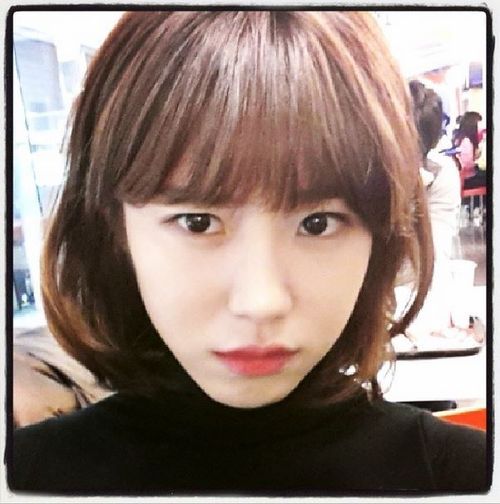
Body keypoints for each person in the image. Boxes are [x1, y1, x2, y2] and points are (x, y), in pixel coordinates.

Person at [9, 11, 487, 495]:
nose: (261, 301)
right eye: (198, 221)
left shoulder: (465, 478)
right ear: (115, 230)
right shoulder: (27, 477)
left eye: (318, 223)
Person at [403, 81, 461, 340]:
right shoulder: (354, 174)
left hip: (412, 291)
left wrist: (411, 195)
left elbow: (434, 254)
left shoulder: (440, 174)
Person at [453, 111, 486, 189]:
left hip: (465, 177)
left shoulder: (461, 139)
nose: (481, 128)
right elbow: (467, 165)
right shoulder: (466, 142)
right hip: (468, 178)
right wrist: (476, 159)